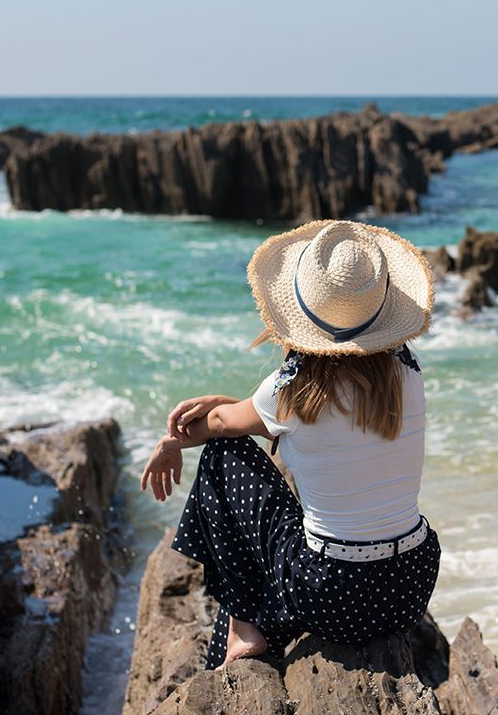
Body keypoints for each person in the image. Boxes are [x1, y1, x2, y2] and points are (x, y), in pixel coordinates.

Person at [140, 219, 441, 670]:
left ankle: (244, 630)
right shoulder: (409, 373)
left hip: (331, 594)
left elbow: (220, 428)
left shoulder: (292, 390)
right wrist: (236, 406)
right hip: (409, 586)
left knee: (223, 457)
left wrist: (171, 441)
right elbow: (263, 419)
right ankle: (261, 623)